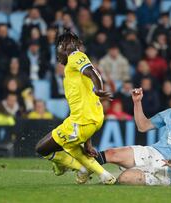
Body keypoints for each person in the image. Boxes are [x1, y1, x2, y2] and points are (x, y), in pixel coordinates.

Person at [35, 31, 116, 185]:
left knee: (42, 148)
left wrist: (98, 88)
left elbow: (94, 73)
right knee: (71, 146)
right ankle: (104, 175)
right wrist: (88, 143)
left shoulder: (75, 56)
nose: (57, 55)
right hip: (86, 119)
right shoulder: (72, 71)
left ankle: (82, 169)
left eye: (58, 49)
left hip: (83, 120)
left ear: (65, 47)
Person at [95, 83, 171, 185]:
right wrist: (137, 102)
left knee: (126, 178)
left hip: (166, 169)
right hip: (152, 152)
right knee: (111, 153)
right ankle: (83, 169)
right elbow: (143, 126)